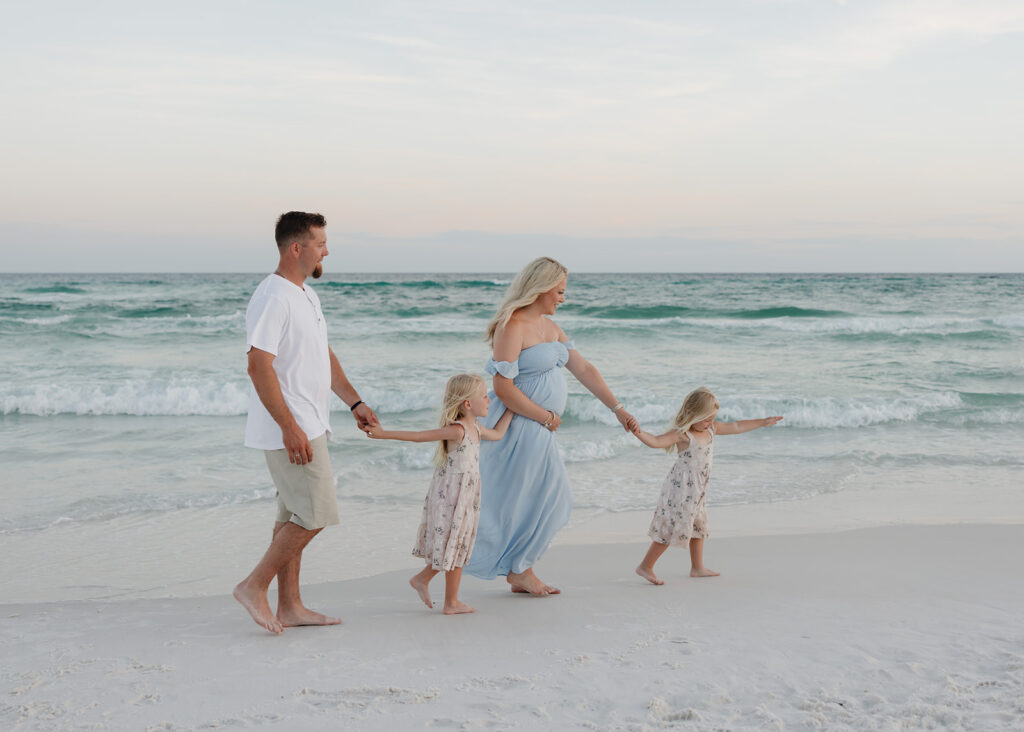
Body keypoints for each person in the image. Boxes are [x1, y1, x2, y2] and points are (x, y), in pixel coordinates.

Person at [233, 211, 379, 635]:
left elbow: (322, 356)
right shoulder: (273, 296)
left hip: (310, 421)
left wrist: (354, 402)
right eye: (320, 243)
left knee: (292, 515)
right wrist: (289, 427)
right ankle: (252, 586)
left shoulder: (305, 295)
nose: (326, 251)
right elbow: (258, 365)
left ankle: (290, 606)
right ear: (296, 248)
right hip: (290, 426)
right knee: (315, 513)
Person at [463, 257, 639, 596]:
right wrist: (543, 416)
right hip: (521, 425)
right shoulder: (511, 326)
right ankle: (519, 570)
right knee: (538, 498)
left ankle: (519, 568)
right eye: (559, 291)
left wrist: (617, 408)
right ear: (541, 289)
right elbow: (502, 387)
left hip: (539, 428)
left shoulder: (552, 328)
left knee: (543, 498)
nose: (562, 298)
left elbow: (585, 370)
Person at [364, 374, 514, 615]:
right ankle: (450, 603)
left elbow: (498, 434)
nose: (489, 400)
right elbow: (418, 436)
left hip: (466, 496)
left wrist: (512, 409)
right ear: (467, 404)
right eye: (484, 396)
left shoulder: (475, 428)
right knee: (454, 545)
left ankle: (423, 580)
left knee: (455, 545)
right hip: (451, 497)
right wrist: (383, 433)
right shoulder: (457, 430)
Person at [633, 386, 782, 585]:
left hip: (698, 490)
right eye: (706, 419)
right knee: (671, 527)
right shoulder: (684, 435)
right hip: (681, 490)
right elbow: (655, 441)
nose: (710, 422)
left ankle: (697, 567)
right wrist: (638, 432)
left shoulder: (712, 429)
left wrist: (763, 422)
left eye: (712, 418)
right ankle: (646, 566)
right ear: (693, 414)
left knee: (698, 525)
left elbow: (737, 426)